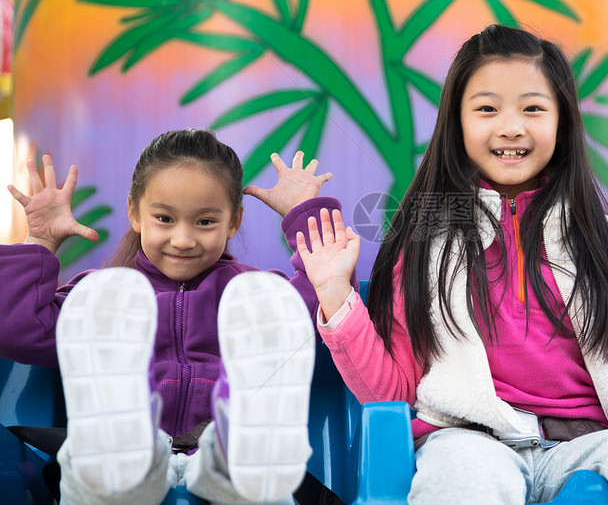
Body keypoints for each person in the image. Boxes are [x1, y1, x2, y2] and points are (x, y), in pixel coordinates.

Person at [295, 25, 608, 504]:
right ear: (456, 123)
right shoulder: (423, 240)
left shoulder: (598, 236)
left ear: (562, 122)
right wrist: (337, 294)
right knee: (462, 481)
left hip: (585, 443)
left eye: (533, 108)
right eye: (486, 109)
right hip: (467, 441)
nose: (511, 126)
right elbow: (393, 391)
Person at [1, 129, 353, 504]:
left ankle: (245, 439)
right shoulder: (103, 295)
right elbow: (21, 331)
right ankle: (117, 438)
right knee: (111, 456)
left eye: (204, 222)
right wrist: (39, 241)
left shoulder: (252, 294)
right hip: (139, 443)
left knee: (274, 332)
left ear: (233, 222)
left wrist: (304, 214)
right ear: (135, 213)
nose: (183, 239)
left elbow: (321, 298)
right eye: (165, 218)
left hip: (215, 446)